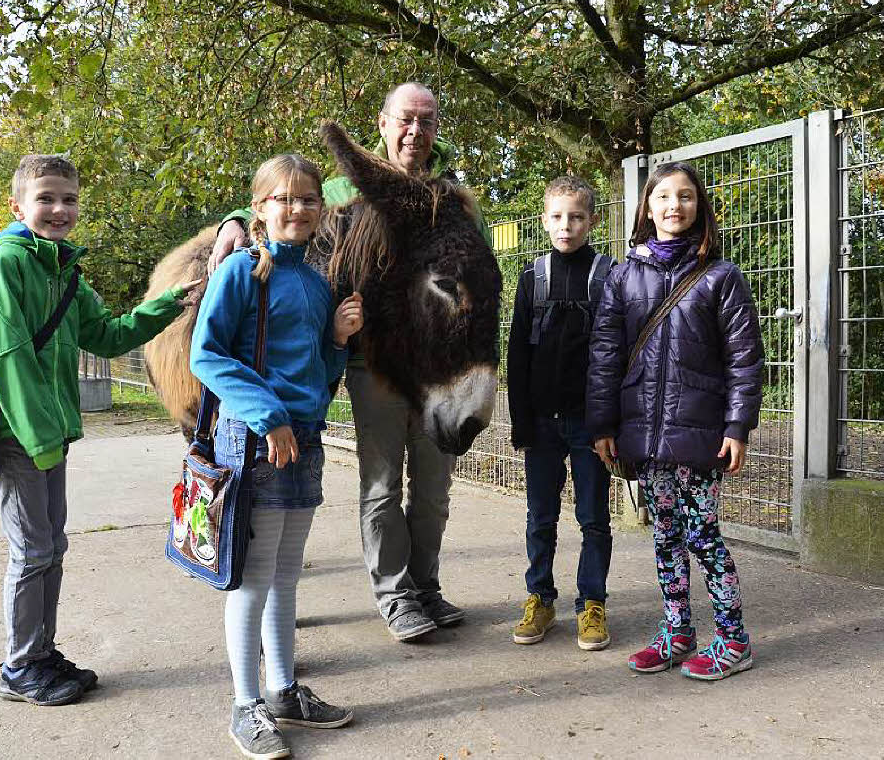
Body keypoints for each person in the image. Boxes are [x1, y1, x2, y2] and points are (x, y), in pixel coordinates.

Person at [209, 83, 489, 642]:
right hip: (373, 365)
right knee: (382, 484)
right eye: (405, 120)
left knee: (433, 488)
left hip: (435, 372)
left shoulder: (455, 197)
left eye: (427, 121)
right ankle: (394, 595)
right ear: (383, 124)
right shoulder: (343, 185)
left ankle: (426, 585)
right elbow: (286, 195)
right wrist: (234, 222)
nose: (416, 131)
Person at [0, 154, 200, 706]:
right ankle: (20, 665)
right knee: (30, 552)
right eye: (45, 198)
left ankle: (41, 651)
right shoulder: (7, 267)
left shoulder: (65, 270)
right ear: (17, 206)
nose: (59, 209)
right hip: (19, 435)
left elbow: (109, 335)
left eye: (68, 199)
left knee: (51, 547)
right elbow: (7, 359)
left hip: (51, 436)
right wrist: (42, 440)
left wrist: (168, 304)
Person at [190, 153, 363, 759]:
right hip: (256, 441)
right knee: (254, 578)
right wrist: (270, 417)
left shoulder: (316, 283)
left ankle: (284, 689)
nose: (297, 209)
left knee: (286, 575)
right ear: (260, 208)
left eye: (308, 199)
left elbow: (319, 373)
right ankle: (246, 704)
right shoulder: (242, 272)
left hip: (304, 439)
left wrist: (339, 340)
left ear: (320, 209)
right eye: (283, 199)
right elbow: (207, 356)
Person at [587, 161, 764, 681]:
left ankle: (734, 640)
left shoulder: (721, 277)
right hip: (644, 434)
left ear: (699, 206)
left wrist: (737, 427)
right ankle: (677, 632)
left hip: (701, 434)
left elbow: (744, 357)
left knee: (703, 536)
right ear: (647, 207)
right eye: (663, 196)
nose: (673, 206)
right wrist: (604, 425)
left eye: (685, 196)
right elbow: (605, 356)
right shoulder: (625, 275)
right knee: (664, 535)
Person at [506, 176, 614, 649]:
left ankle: (592, 604)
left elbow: (619, 353)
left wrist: (610, 423)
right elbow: (517, 354)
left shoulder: (608, 275)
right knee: (540, 516)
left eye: (576, 217)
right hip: (543, 423)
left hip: (591, 425)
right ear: (544, 219)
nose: (565, 226)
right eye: (556, 216)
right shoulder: (533, 277)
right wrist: (520, 421)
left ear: (592, 221)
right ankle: (540, 598)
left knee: (593, 517)